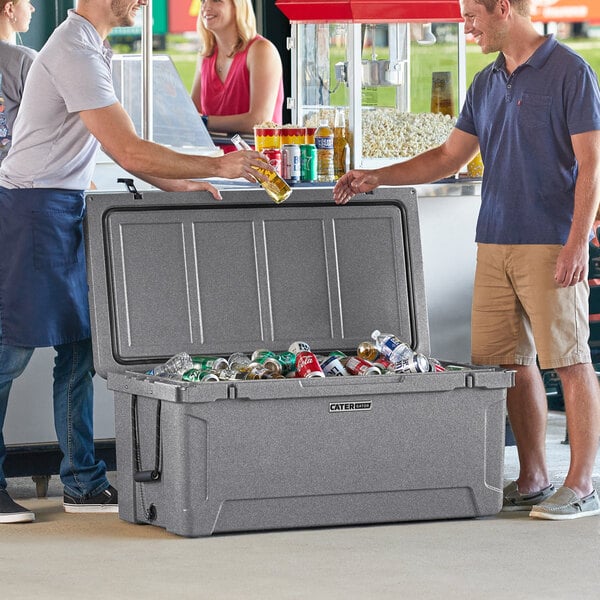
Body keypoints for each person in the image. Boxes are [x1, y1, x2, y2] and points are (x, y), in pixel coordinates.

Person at [0, 0, 271, 524]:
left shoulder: (90, 45)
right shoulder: (74, 50)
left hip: (63, 208)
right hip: (33, 211)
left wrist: (182, 182)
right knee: (9, 354)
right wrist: (220, 162)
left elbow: (111, 146)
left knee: (81, 350)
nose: (144, 1)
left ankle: (81, 479)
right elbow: (128, 150)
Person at [333, 0, 600, 520]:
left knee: (569, 361)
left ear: (503, 9)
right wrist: (376, 175)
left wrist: (576, 243)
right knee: (506, 364)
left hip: (550, 241)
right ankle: (533, 478)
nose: (466, 25)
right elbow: (446, 158)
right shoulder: (486, 82)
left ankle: (583, 482)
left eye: (471, 15)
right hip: (493, 239)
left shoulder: (571, 71)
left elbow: (593, 165)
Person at [190, 0, 284, 134]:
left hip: (254, 154)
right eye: (203, 1)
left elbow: (259, 121)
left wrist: (205, 121)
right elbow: (191, 114)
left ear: (237, 7)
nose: (206, 7)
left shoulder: (261, 50)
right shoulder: (205, 55)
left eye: (216, 1)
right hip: (212, 153)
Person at [0, 0, 36, 165]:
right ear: (9, 8)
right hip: (13, 176)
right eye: (27, 2)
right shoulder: (25, 60)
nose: (32, 8)